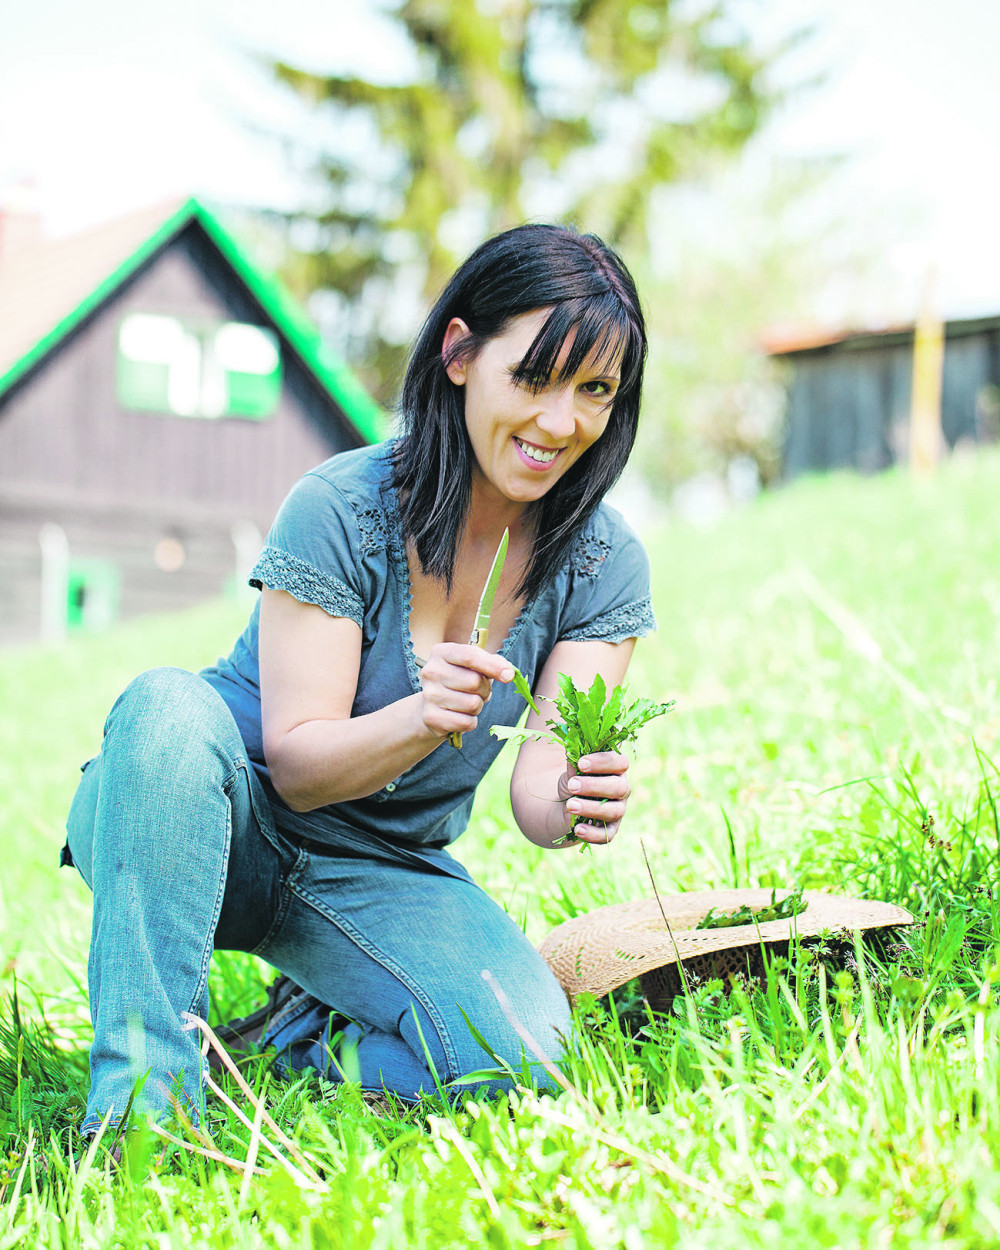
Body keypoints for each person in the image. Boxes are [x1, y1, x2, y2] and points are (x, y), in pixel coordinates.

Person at [62, 222, 656, 1139]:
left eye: (595, 391)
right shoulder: (339, 506)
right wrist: (421, 717)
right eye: (533, 378)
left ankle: (292, 1040)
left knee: (527, 1054)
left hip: (382, 868)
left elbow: (536, 791)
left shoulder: (604, 563)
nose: (560, 422)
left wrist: (575, 798)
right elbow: (297, 767)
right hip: (206, 818)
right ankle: (145, 1111)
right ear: (459, 354)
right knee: (167, 705)